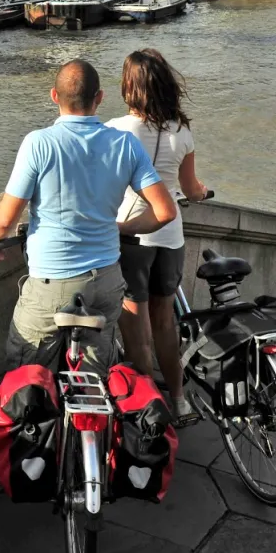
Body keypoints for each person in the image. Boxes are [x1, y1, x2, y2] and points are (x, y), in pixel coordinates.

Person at [0, 58, 177, 373]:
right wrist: (121, 227)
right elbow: (165, 211)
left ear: (53, 96)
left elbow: (4, 222)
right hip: (104, 281)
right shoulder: (124, 144)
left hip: (51, 282)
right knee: (94, 380)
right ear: (99, 98)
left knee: (28, 378)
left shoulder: (38, 143)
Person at [106, 49, 207, 422]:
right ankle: (179, 400)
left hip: (133, 235)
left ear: (129, 87)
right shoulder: (182, 131)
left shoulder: (117, 129)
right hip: (171, 235)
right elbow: (191, 188)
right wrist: (200, 192)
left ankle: (147, 407)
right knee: (165, 320)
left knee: (135, 323)